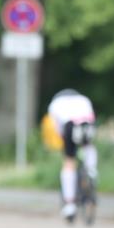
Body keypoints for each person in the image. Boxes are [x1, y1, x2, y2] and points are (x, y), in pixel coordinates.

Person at [45, 89, 97, 220]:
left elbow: (57, 129)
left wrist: (65, 144)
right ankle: (91, 171)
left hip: (69, 125)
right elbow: (92, 118)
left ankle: (69, 204)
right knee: (88, 147)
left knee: (69, 162)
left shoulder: (55, 104)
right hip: (86, 124)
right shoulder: (84, 99)